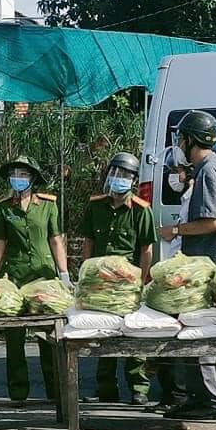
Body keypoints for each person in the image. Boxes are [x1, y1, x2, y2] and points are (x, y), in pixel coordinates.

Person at [157, 110, 216, 420]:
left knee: (200, 336)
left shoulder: (207, 173)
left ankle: (213, 401)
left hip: (203, 270)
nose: (179, 143)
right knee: (193, 334)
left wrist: (175, 231)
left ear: (191, 139)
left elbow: (214, 222)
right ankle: (196, 397)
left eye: (181, 138)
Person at [0, 156, 67, 404]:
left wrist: (64, 273)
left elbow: (56, 240)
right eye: (14, 174)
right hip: (17, 279)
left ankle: (56, 392)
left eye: (23, 174)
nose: (18, 178)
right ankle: (18, 393)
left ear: (32, 179)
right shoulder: (3, 208)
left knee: (50, 337)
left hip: (44, 276)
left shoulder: (48, 206)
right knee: (15, 336)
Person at [81, 151, 155, 405]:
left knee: (134, 334)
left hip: (128, 284)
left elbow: (146, 249)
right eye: (115, 173)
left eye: (125, 175)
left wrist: (142, 282)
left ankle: (139, 389)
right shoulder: (95, 206)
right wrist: (86, 275)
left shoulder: (141, 211)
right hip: (101, 282)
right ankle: (105, 389)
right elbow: (88, 242)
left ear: (133, 180)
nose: (118, 179)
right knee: (104, 334)